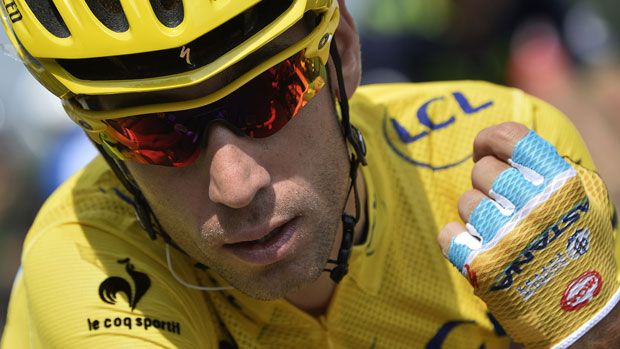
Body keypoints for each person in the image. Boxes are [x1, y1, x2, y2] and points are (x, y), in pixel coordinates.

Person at [1, 1, 618, 348]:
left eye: (264, 100)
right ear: (102, 142)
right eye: (157, 135)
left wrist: (595, 328)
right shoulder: (83, 260)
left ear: (343, 54)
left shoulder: (503, 152)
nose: (236, 186)